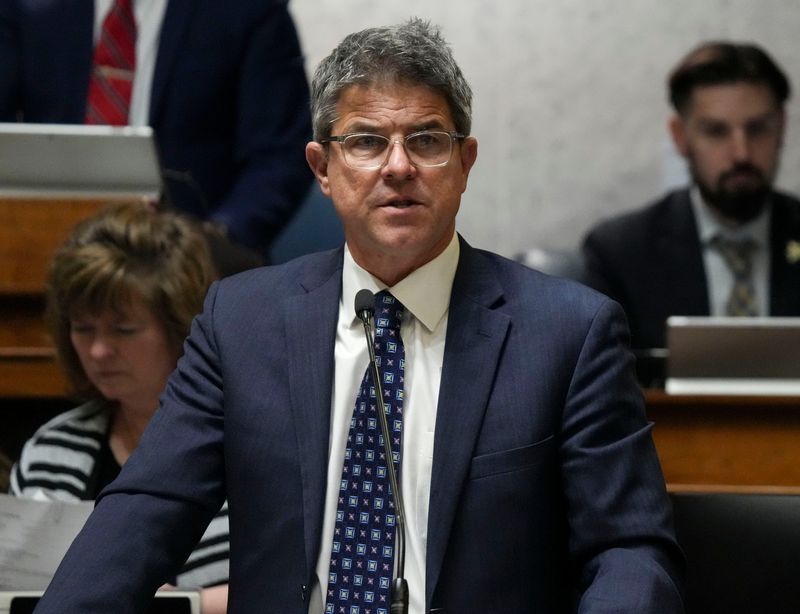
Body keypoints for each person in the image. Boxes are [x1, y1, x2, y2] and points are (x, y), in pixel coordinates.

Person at [33, 19, 684, 613]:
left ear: (464, 163)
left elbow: (627, 550)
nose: (398, 167)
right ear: (323, 168)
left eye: (427, 140)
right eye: (367, 142)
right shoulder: (241, 321)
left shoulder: (568, 333)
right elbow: (149, 510)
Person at [10, 203, 230, 613]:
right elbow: (20, 590)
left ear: (182, 327)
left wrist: (180, 604)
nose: (98, 350)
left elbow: (298, 584)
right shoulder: (51, 448)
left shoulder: (246, 440)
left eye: (123, 330)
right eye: (82, 328)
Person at [0, 0, 312, 264]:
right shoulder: (26, 8)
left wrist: (213, 242)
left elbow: (280, 157)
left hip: (191, 267)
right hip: (42, 247)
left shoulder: (246, 10)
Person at [582, 41, 800, 351]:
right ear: (680, 137)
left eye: (758, 129)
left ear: (781, 127)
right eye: (716, 131)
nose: (741, 153)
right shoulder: (620, 254)